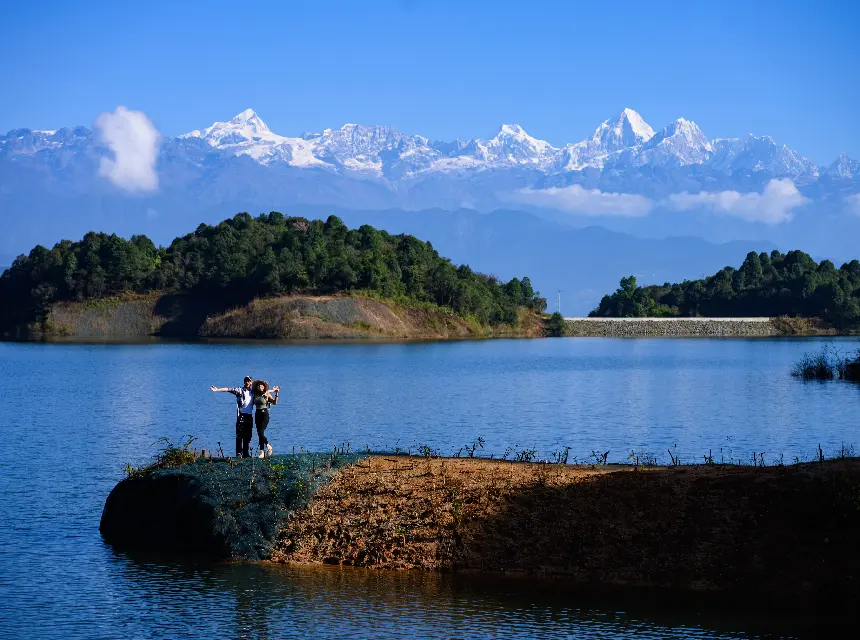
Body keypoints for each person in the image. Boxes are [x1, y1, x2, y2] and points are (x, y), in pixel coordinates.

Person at [210, 376, 255, 458]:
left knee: (248, 435)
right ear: (244, 382)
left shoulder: (253, 392)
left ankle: (246, 453)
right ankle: (238, 453)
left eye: (249, 381)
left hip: (249, 416)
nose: (247, 382)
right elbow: (228, 389)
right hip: (241, 415)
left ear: (251, 382)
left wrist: (274, 391)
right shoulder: (240, 390)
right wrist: (217, 390)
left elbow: (263, 391)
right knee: (239, 435)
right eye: (246, 381)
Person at [252, 380, 279, 458]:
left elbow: (274, 402)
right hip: (257, 414)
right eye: (259, 386)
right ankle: (262, 452)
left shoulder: (267, 393)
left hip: (264, 414)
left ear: (264, 387)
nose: (261, 387)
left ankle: (268, 445)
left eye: (262, 386)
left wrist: (276, 393)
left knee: (261, 431)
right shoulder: (255, 394)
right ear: (257, 387)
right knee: (259, 433)